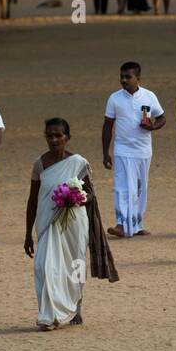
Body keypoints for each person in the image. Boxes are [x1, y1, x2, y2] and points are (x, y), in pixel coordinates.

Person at [24, 117, 118, 330]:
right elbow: (32, 199)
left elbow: (90, 195)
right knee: (43, 266)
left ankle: (76, 305)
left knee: (74, 265)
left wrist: (73, 197)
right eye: (50, 136)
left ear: (68, 137)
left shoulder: (79, 163)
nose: (54, 140)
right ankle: (49, 316)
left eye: (58, 135)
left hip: (74, 223)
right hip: (48, 223)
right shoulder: (40, 164)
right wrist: (27, 233)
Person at [102, 63, 165, 238]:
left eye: (128, 77)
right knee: (122, 187)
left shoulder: (149, 96)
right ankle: (121, 224)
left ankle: (137, 224)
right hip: (122, 149)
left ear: (138, 78)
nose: (123, 80)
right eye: (121, 76)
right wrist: (105, 152)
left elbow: (162, 118)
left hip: (143, 151)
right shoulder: (114, 98)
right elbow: (107, 126)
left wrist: (152, 127)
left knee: (140, 188)